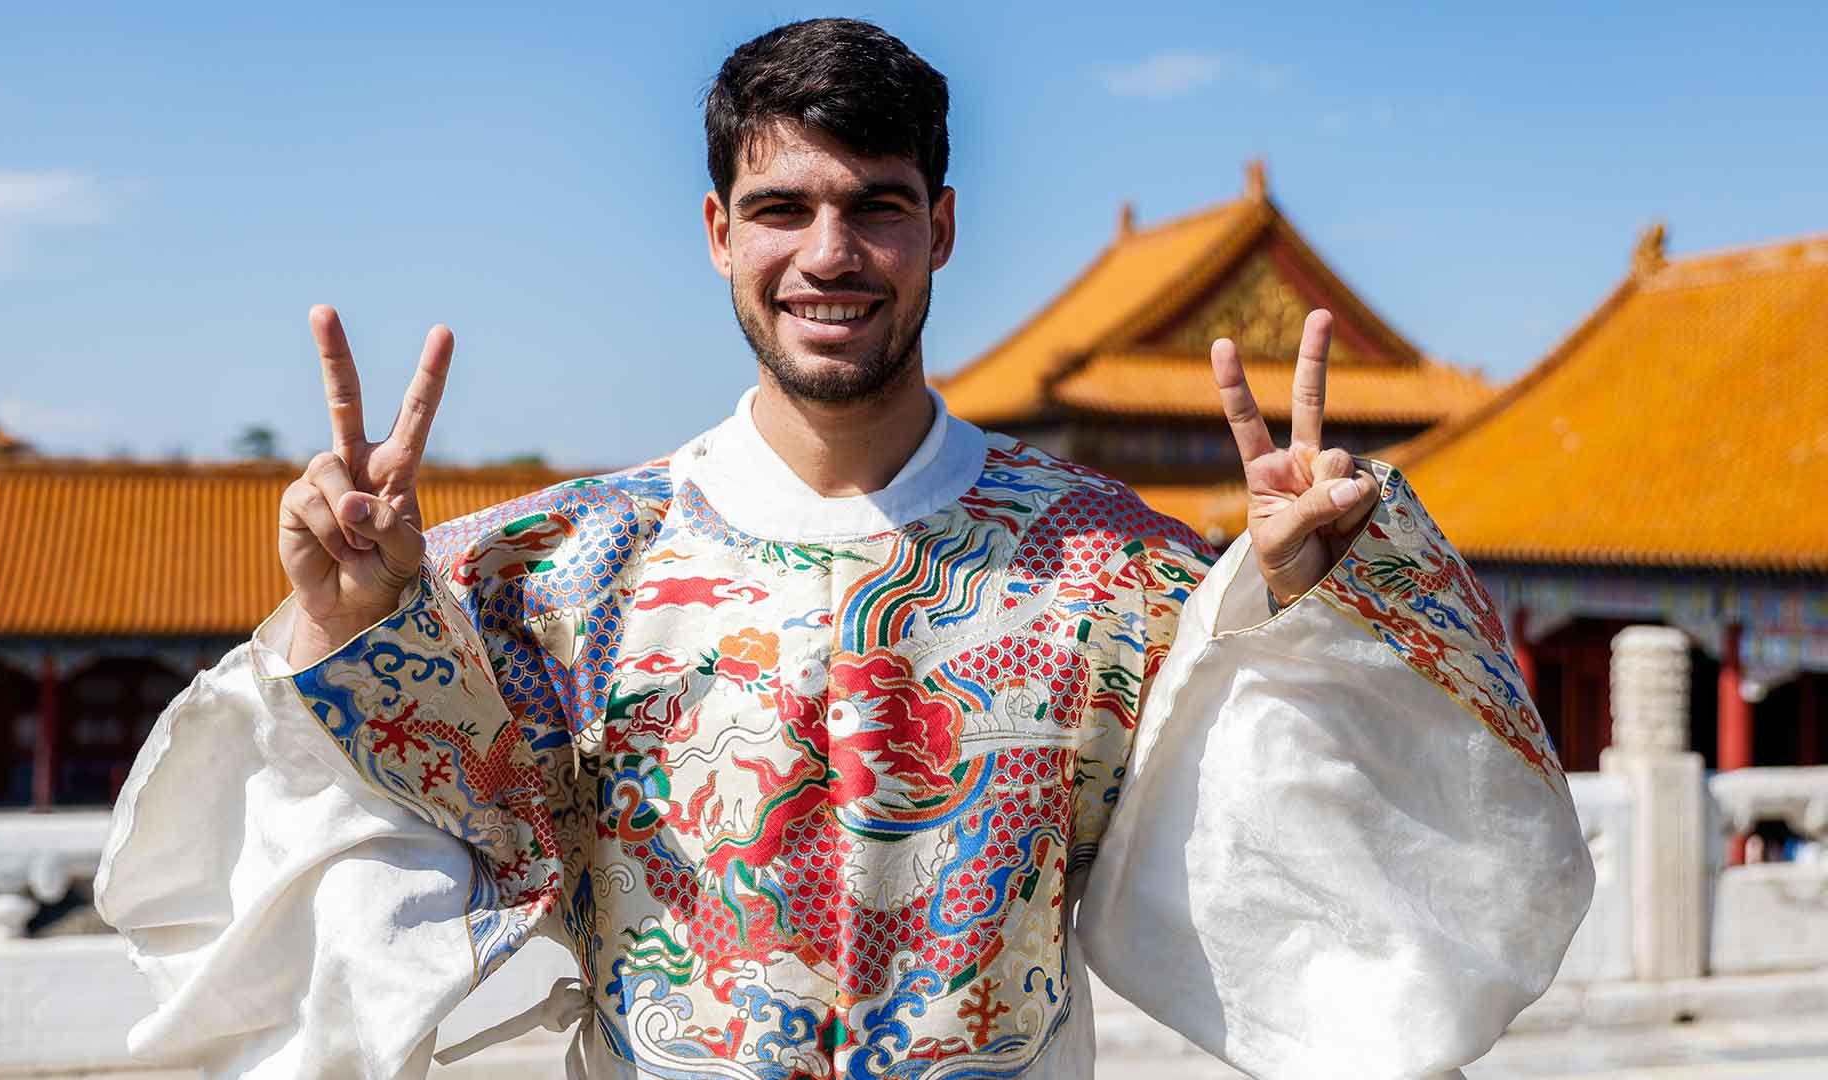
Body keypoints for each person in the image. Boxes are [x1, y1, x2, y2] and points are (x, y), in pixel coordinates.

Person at [95, 18, 1592, 1080]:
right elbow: (407, 865)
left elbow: (1310, 886)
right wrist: (348, 634)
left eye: (875, 208)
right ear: (715, 232)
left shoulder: (1117, 568)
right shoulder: (555, 572)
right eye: (783, 208)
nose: (829, 253)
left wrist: (1311, 608)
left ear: (939, 226)